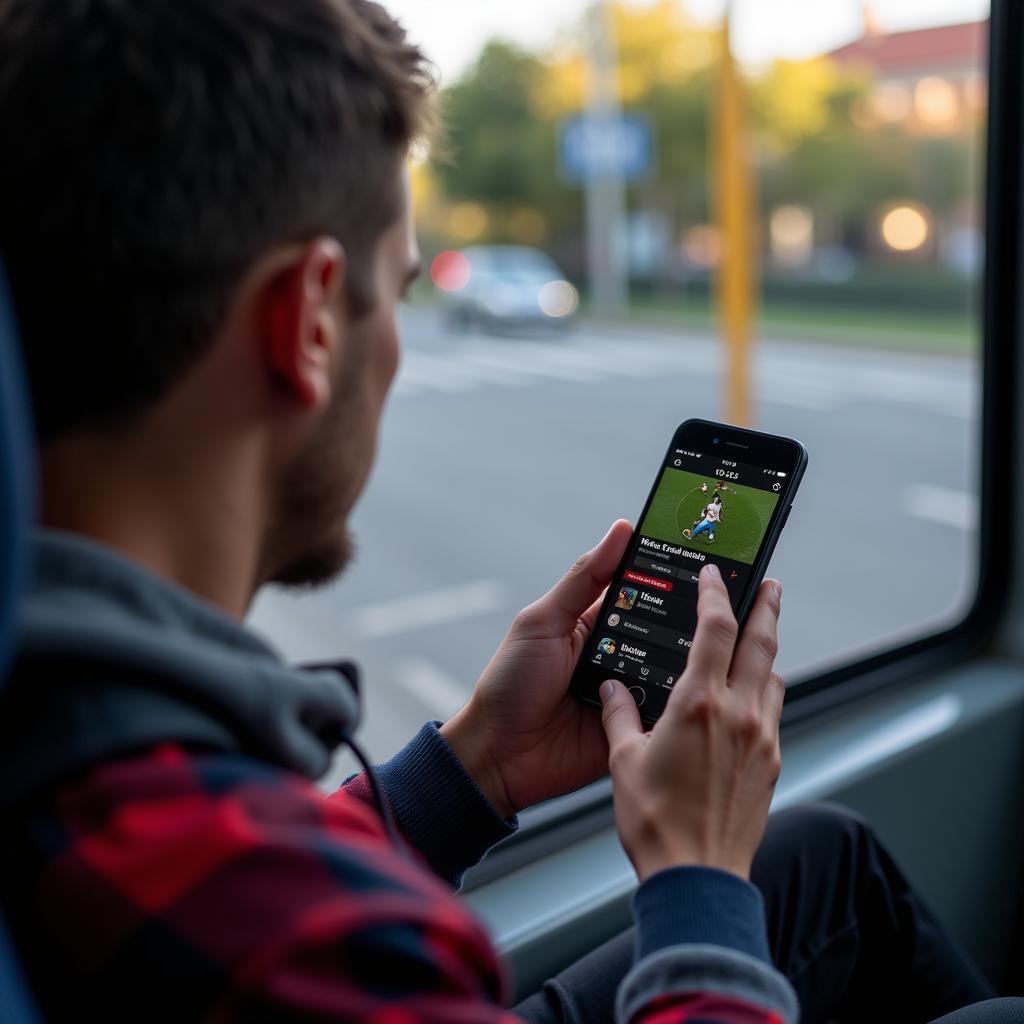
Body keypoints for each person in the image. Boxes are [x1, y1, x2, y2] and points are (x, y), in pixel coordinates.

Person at [0, 1, 1017, 1022]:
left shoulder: (64, 730)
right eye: (393, 294)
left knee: (819, 858)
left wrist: (475, 764)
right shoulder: (313, 941)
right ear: (307, 320)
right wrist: (698, 877)